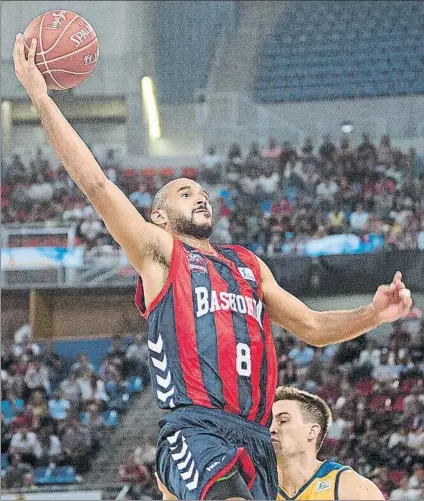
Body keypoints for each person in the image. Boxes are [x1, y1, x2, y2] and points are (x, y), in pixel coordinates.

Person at [13, 35, 413, 501]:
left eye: (202, 192)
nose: (199, 195)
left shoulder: (247, 264)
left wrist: (374, 314)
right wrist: (41, 97)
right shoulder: (159, 253)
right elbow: (97, 183)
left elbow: (313, 326)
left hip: (256, 437)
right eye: (185, 192)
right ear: (158, 215)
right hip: (196, 426)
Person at [271, 386, 385, 500]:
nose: (271, 429)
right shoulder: (256, 487)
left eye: (283, 420)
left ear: (311, 431)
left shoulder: (349, 487)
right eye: (269, 422)